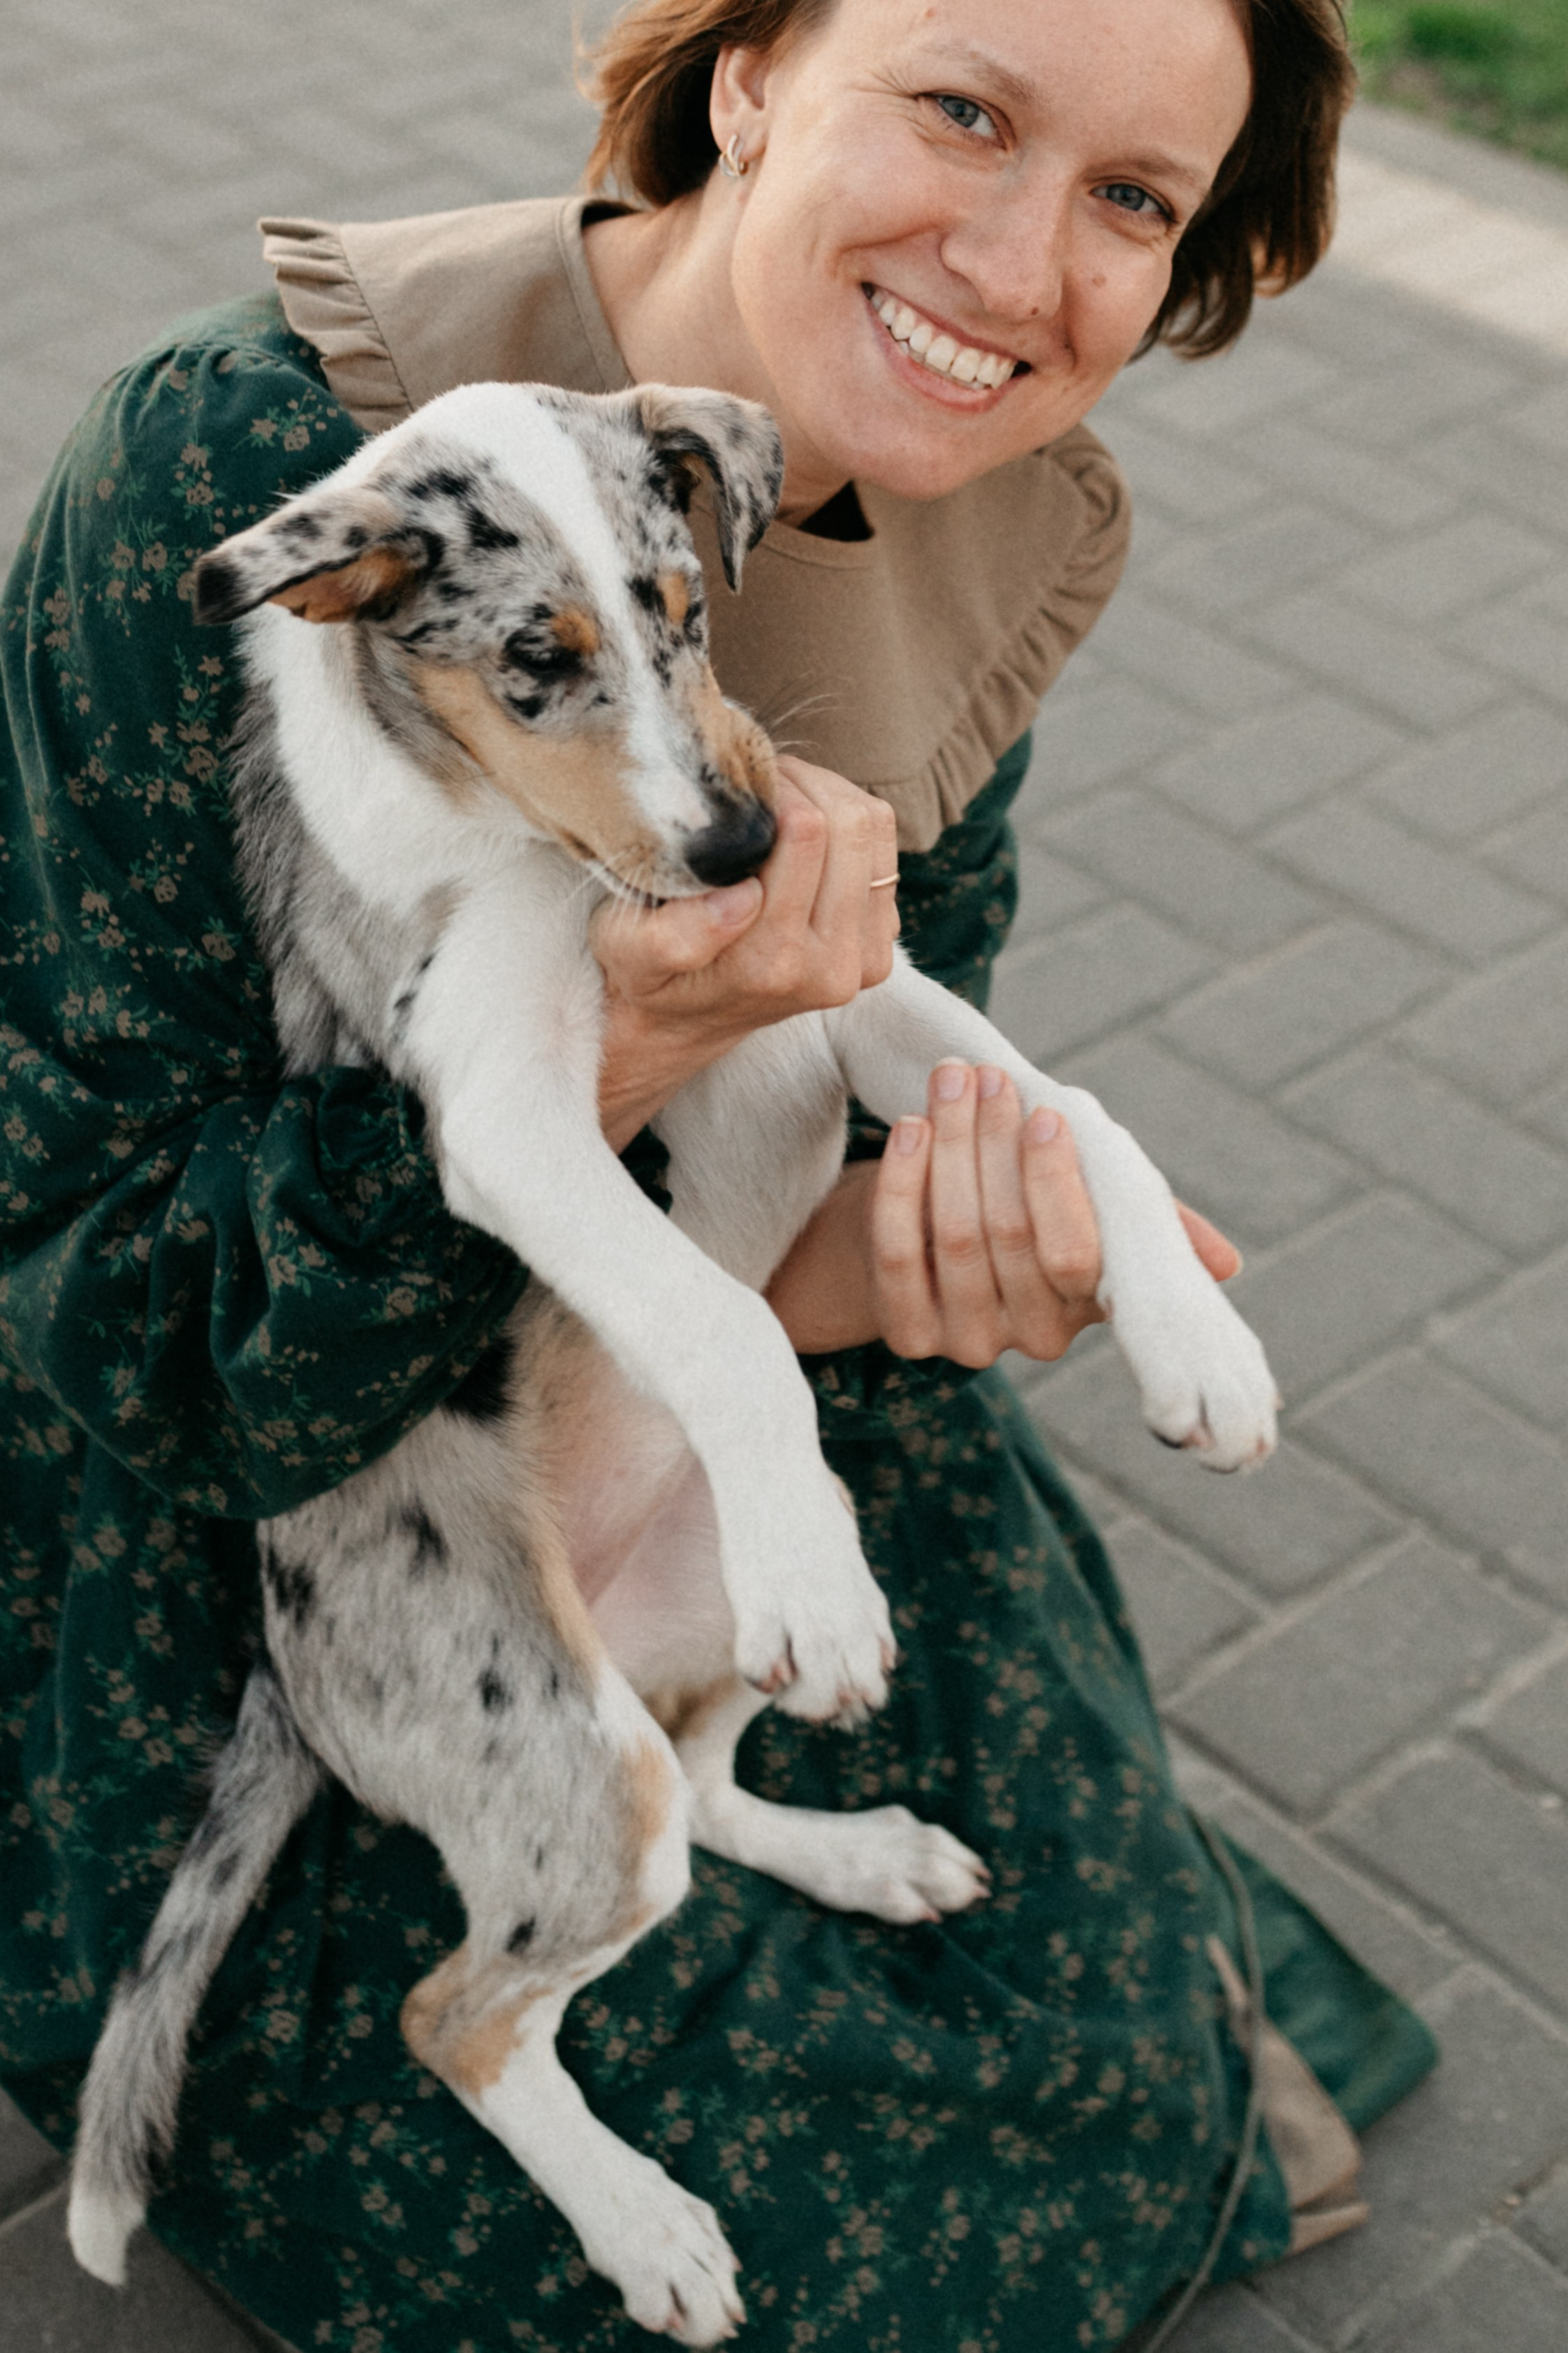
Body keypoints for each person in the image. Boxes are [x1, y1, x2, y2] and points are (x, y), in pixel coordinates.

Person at [0, 1, 1437, 2346]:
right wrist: (613, 1057)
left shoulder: (975, 508)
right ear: (751, 67)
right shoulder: (240, 483)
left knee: (1073, 2033)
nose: (1016, 266)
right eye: (964, 107)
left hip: (664, 1355)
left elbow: (836, 1117)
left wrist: (954, 1256)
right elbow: (69, 1287)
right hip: (245, 1474)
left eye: (1132, 201)